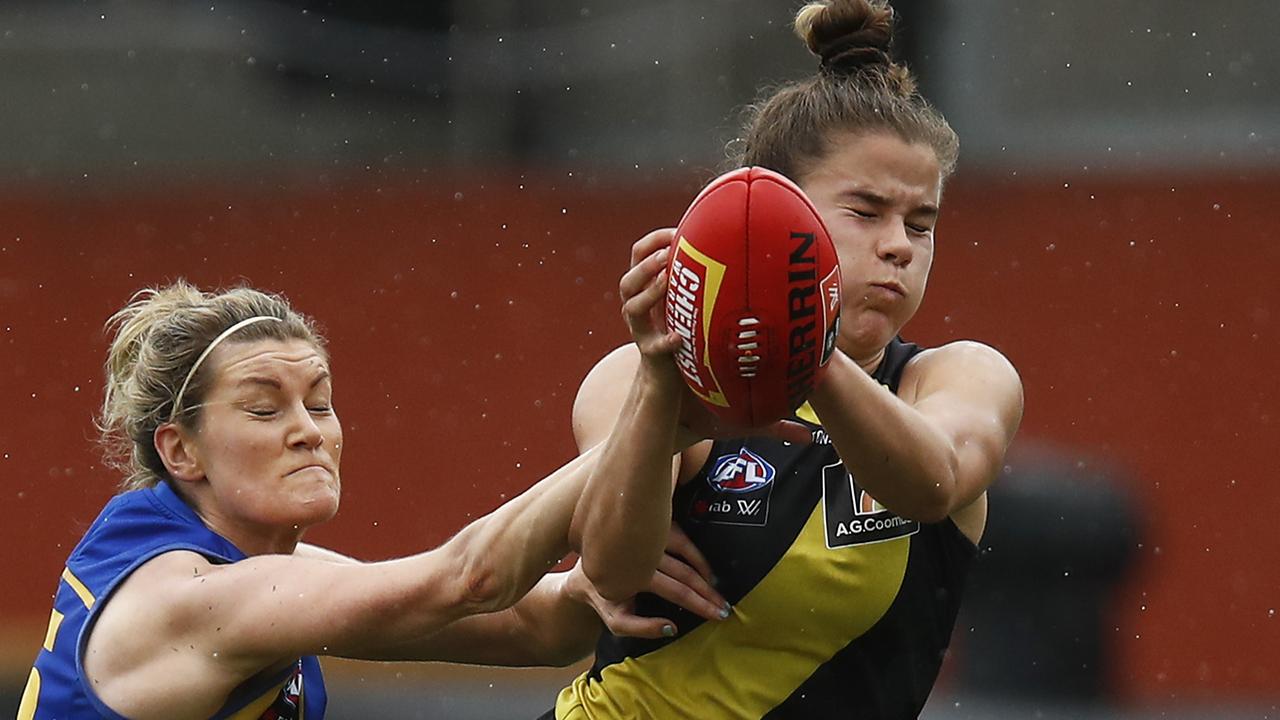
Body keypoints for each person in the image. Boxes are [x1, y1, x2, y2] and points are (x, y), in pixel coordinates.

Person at [554, 0, 1025, 718]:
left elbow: (934, 484)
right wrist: (664, 378)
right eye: (866, 213)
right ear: (776, 215)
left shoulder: (959, 377)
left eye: (921, 223)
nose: (900, 245)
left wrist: (803, 341)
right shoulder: (643, 372)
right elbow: (613, 565)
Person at [17, 280, 731, 720]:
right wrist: (668, 416)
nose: (308, 432)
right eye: (265, 410)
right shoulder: (194, 597)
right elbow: (470, 577)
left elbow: (540, 632)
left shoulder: (247, 573)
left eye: (320, 403)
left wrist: (595, 583)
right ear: (180, 451)